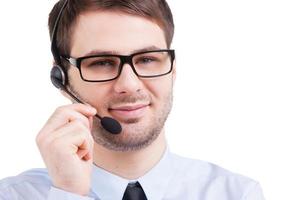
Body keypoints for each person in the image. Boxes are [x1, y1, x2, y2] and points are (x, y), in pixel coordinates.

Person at [0, 0, 265, 199]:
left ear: (173, 69)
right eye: (102, 62)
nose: (129, 84)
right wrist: (70, 194)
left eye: (147, 59)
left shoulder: (237, 194)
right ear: (62, 77)